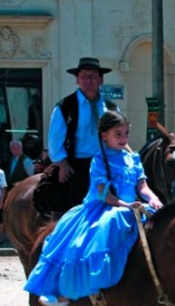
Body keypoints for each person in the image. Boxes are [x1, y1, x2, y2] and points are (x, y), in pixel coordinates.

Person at [24, 110, 164, 306]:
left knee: (164, 220)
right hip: (105, 207)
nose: (124, 138)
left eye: (126, 134)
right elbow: (105, 195)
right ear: (103, 135)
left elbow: (142, 187)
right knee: (110, 223)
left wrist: (154, 198)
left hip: (132, 207)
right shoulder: (99, 160)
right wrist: (127, 205)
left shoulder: (133, 159)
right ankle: (80, 287)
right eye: (118, 134)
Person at [48, 57, 117, 211]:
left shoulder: (111, 108)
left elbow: (119, 136)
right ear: (77, 80)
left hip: (106, 162)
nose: (88, 80)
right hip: (77, 164)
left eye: (92, 76)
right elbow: (54, 140)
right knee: (68, 204)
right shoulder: (65, 107)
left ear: (101, 80)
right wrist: (63, 164)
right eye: (83, 76)